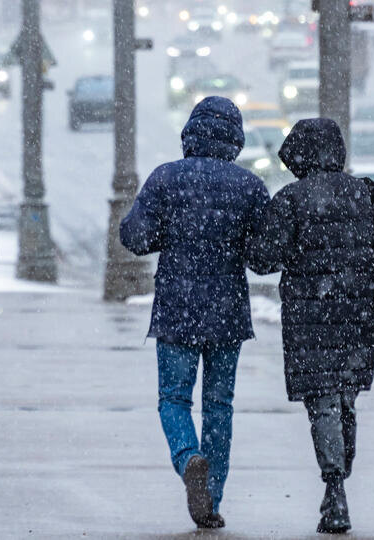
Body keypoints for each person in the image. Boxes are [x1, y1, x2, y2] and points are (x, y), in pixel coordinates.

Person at [247, 118, 374, 534]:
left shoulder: (292, 200)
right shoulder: (367, 193)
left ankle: (334, 486)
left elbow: (262, 259)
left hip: (311, 321)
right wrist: (365, 240)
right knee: (345, 399)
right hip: (359, 318)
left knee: (323, 402)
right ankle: (340, 477)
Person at [119, 96, 270, 529]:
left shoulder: (165, 178)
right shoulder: (249, 186)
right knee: (219, 405)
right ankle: (212, 500)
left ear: (190, 133)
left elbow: (136, 238)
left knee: (173, 398)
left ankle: (189, 459)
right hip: (227, 312)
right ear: (236, 138)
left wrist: (173, 228)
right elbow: (262, 258)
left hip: (177, 310)